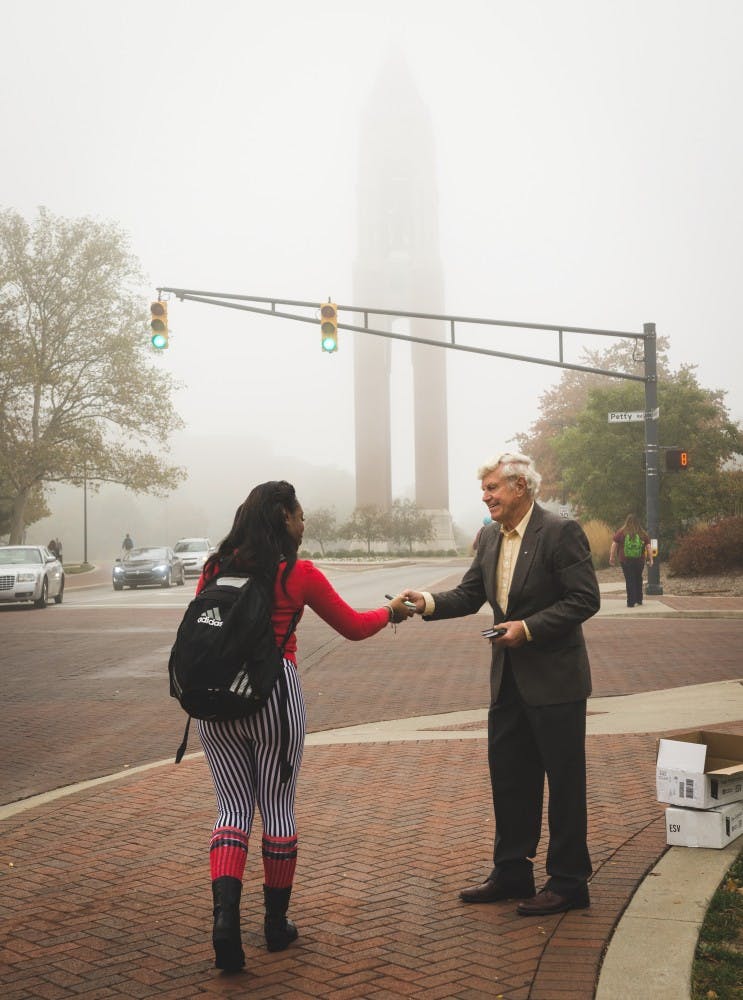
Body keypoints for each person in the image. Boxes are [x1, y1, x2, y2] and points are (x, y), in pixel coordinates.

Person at [194, 480, 414, 973]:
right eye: (299, 514)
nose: (304, 521)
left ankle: (225, 921)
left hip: (216, 700)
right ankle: (275, 926)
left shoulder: (214, 568)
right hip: (274, 695)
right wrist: (393, 610)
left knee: (231, 808)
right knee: (276, 806)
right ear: (283, 519)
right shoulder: (297, 574)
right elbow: (355, 626)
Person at [402, 452, 600, 916]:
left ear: (521, 488)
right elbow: (471, 594)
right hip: (507, 682)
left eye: (492, 488)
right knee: (511, 780)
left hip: (556, 683)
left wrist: (527, 628)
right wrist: (425, 601)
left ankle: (570, 882)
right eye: (484, 489)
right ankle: (512, 872)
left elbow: (584, 599)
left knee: (565, 784)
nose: (485, 496)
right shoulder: (490, 537)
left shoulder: (559, 532)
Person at [609, 514, 652, 608]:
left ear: (626, 521)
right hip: (639, 560)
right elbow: (648, 547)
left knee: (629, 580)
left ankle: (630, 602)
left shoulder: (622, 532)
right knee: (638, 578)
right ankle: (639, 599)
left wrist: (611, 557)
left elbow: (614, 545)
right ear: (638, 522)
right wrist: (651, 559)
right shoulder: (642, 533)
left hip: (625, 560)